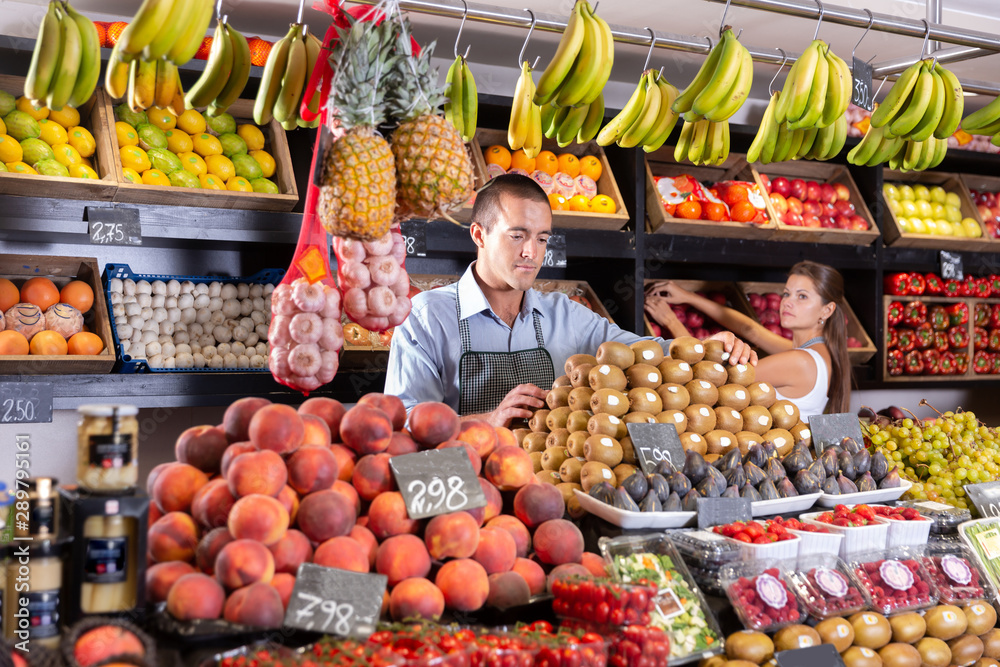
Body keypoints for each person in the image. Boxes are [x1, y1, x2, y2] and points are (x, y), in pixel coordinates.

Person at [384, 174, 757, 427]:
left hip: (552, 485)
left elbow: (647, 351)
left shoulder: (565, 314)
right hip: (467, 493)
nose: (532, 252)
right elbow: (404, 421)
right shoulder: (426, 317)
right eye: (517, 236)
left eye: (542, 238)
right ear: (479, 235)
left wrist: (706, 348)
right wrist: (489, 420)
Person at [644, 260, 851, 418]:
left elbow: (712, 380)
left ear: (827, 310)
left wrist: (671, 321)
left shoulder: (801, 362)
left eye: (802, 296)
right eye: (787, 293)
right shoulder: (816, 352)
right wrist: (689, 297)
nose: (787, 302)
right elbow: (751, 330)